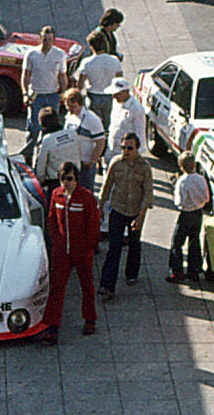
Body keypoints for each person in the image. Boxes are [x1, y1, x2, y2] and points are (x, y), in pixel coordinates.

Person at [43, 161, 101, 343]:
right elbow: (52, 220)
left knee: (87, 285)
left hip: (81, 251)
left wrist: (88, 247)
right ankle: (52, 326)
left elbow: (93, 225)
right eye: (62, 178)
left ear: (77, 179)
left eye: (69, 179)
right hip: (62, 252)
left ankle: (90, 319)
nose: (65, 183)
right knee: (57, 288)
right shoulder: (56, 195)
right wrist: (56, 242)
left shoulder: (86, 198)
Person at [98, 132, 153, 296]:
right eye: (123, 148)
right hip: (118, 209)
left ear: (137, 149)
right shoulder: (116, 163)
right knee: (114, 247)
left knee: (134, 243)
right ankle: (107, 285)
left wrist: (141, 216)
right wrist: (100, 207)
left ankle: (132, 273)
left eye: (129, 148)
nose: (125, 151)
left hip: (135, 211)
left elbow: (148, 192)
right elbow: (106, 186)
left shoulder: (144, 167)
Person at [20, 27, 68, 154]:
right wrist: (25, 93)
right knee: (34, 128)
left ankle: (50, 154)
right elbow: (25, 75)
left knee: (52, 127)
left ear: (54, 40)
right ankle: (28, 156)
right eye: (45, 39)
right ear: (40, 39)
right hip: (36, 95)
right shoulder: (31, 54)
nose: (47, 43)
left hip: (52, 95)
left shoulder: (60, 54)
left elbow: (62, 75)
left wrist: (64, 93)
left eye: (50, 40)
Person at [167, 150, 210, 283]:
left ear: (181, 165)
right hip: (198, 213)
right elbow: (207, 197)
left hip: (186, 214)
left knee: (177, 243)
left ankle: (176, 271)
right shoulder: (201, 179)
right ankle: (194, 271)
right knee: (194, 241)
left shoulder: (182, 181)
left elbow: (179, 202)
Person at [32, 107, 81, 199]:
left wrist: (40, 181)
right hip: (75, 178)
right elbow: (79, 153)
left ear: (42, 123)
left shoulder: (47, 140)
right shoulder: (72, 133)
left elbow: (41, 165)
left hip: (55, 182)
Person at [63, 88, 106, 193]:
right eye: (68, 106)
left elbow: (101, 142)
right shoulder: (69, 117)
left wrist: (92, 161)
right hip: (72, 163)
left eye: (73, 106)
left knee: (85, 193)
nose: (70, 110)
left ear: (80, 104)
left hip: (85, 164)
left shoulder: (92, 119)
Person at [77, 33, 122, 129]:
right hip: (110, 96)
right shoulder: (114, 60)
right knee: (109, 124)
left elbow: (80, 84)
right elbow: (119, 80)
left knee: (94, 126)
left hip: (93, 95)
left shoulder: (87, 62)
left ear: (91, 46)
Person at [104, 78, 145, 159]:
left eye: (117, 94)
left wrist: (136, 154)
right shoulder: (116, 102)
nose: (113, 96)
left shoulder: (136, 109)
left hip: (125, 153)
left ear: (126, 92)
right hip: (111, 149)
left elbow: (140, 133)